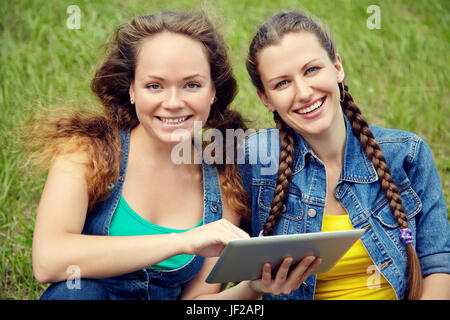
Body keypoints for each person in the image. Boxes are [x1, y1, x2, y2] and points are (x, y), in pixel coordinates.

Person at [30, 11, 319, 300]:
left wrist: (253, 288)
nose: (173, 103)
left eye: (192, 85)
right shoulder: (88, 151)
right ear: (132, 89)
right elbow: (48, 261)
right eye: (154, 86)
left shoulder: (223, 185)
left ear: (213, 92)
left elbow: (196, 304)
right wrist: (182, 242)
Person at [240, 11, 450, 300]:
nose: (303, 92)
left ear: (337, 67)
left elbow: (437, 266)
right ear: (265, 99)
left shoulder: (407, 154)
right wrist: (252, 288)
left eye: (312, 70)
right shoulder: (252, 161)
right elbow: (204, 297)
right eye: (282, 83)